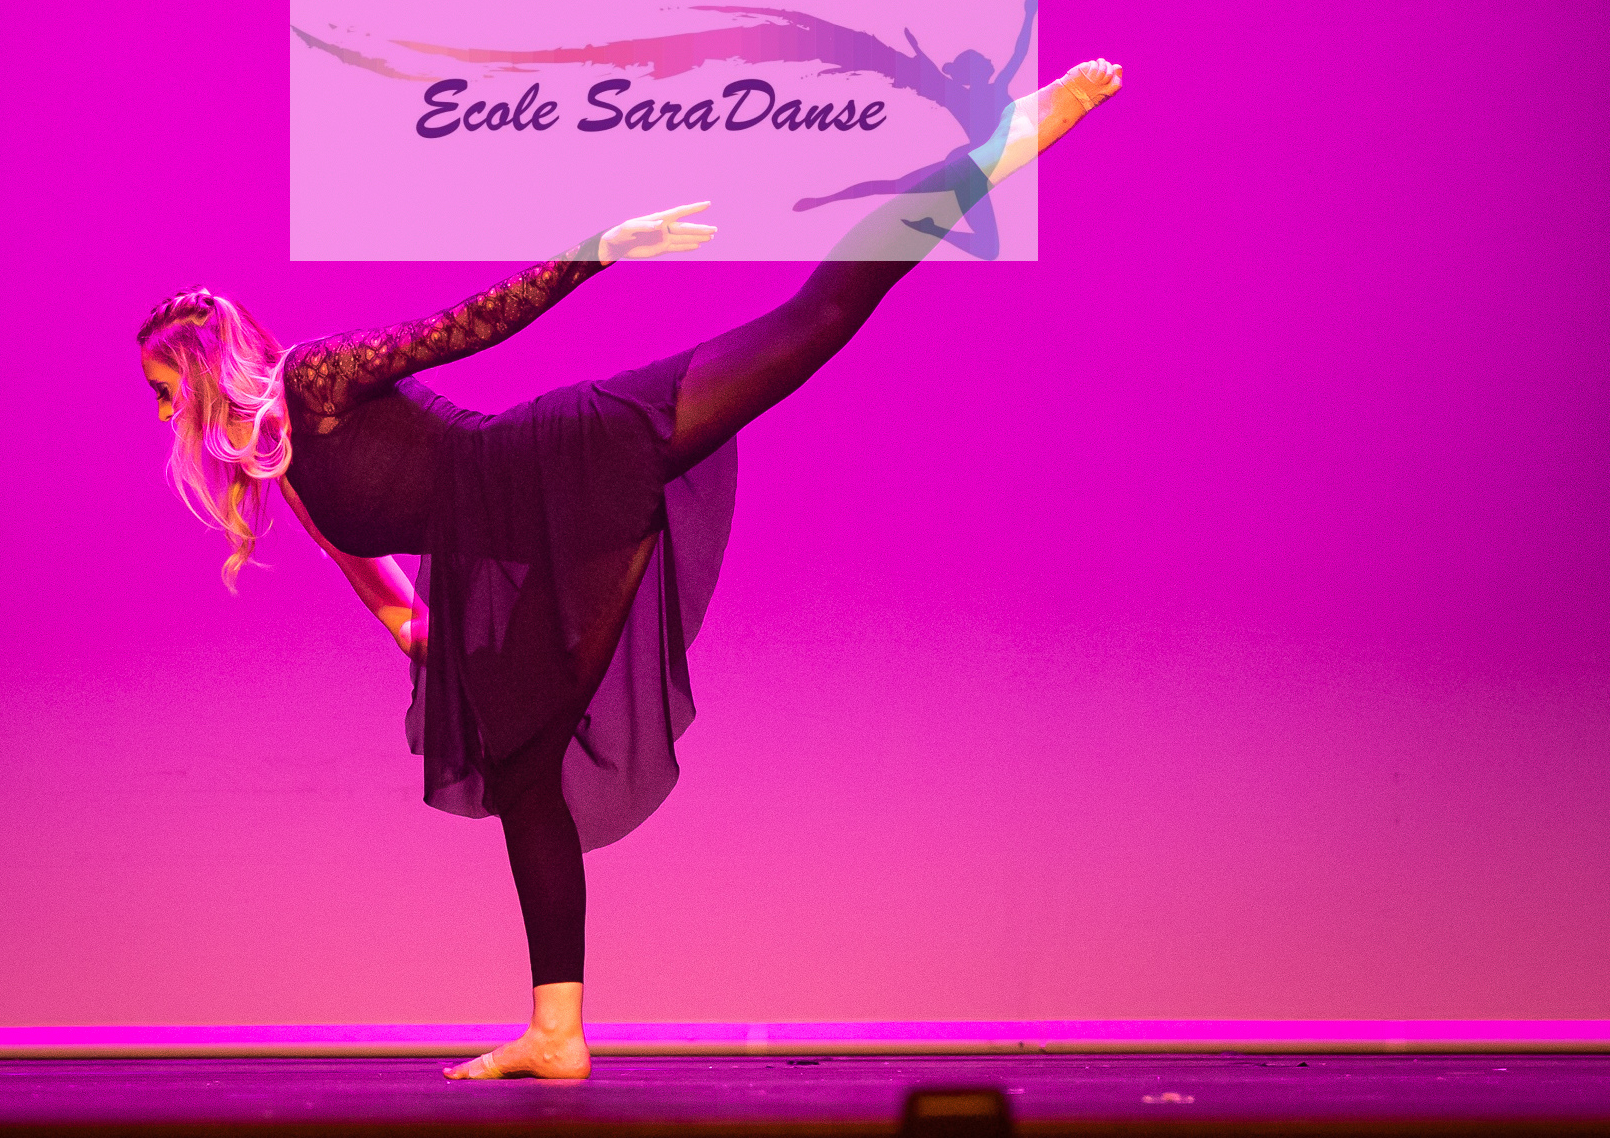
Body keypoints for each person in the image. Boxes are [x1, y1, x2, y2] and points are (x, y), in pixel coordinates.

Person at [138, 60, 1123, 1078]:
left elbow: (465, 325)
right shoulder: (286, 476)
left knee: (815, 316)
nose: (166, 416)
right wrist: (441, 652)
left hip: (568, 458)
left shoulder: (316, 378)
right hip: (528, 549)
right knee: (524, 772)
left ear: (206, 369)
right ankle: (556, 1032)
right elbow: (389, 602)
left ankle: (1002, 141)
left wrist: (595, 252)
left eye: (166, 390)